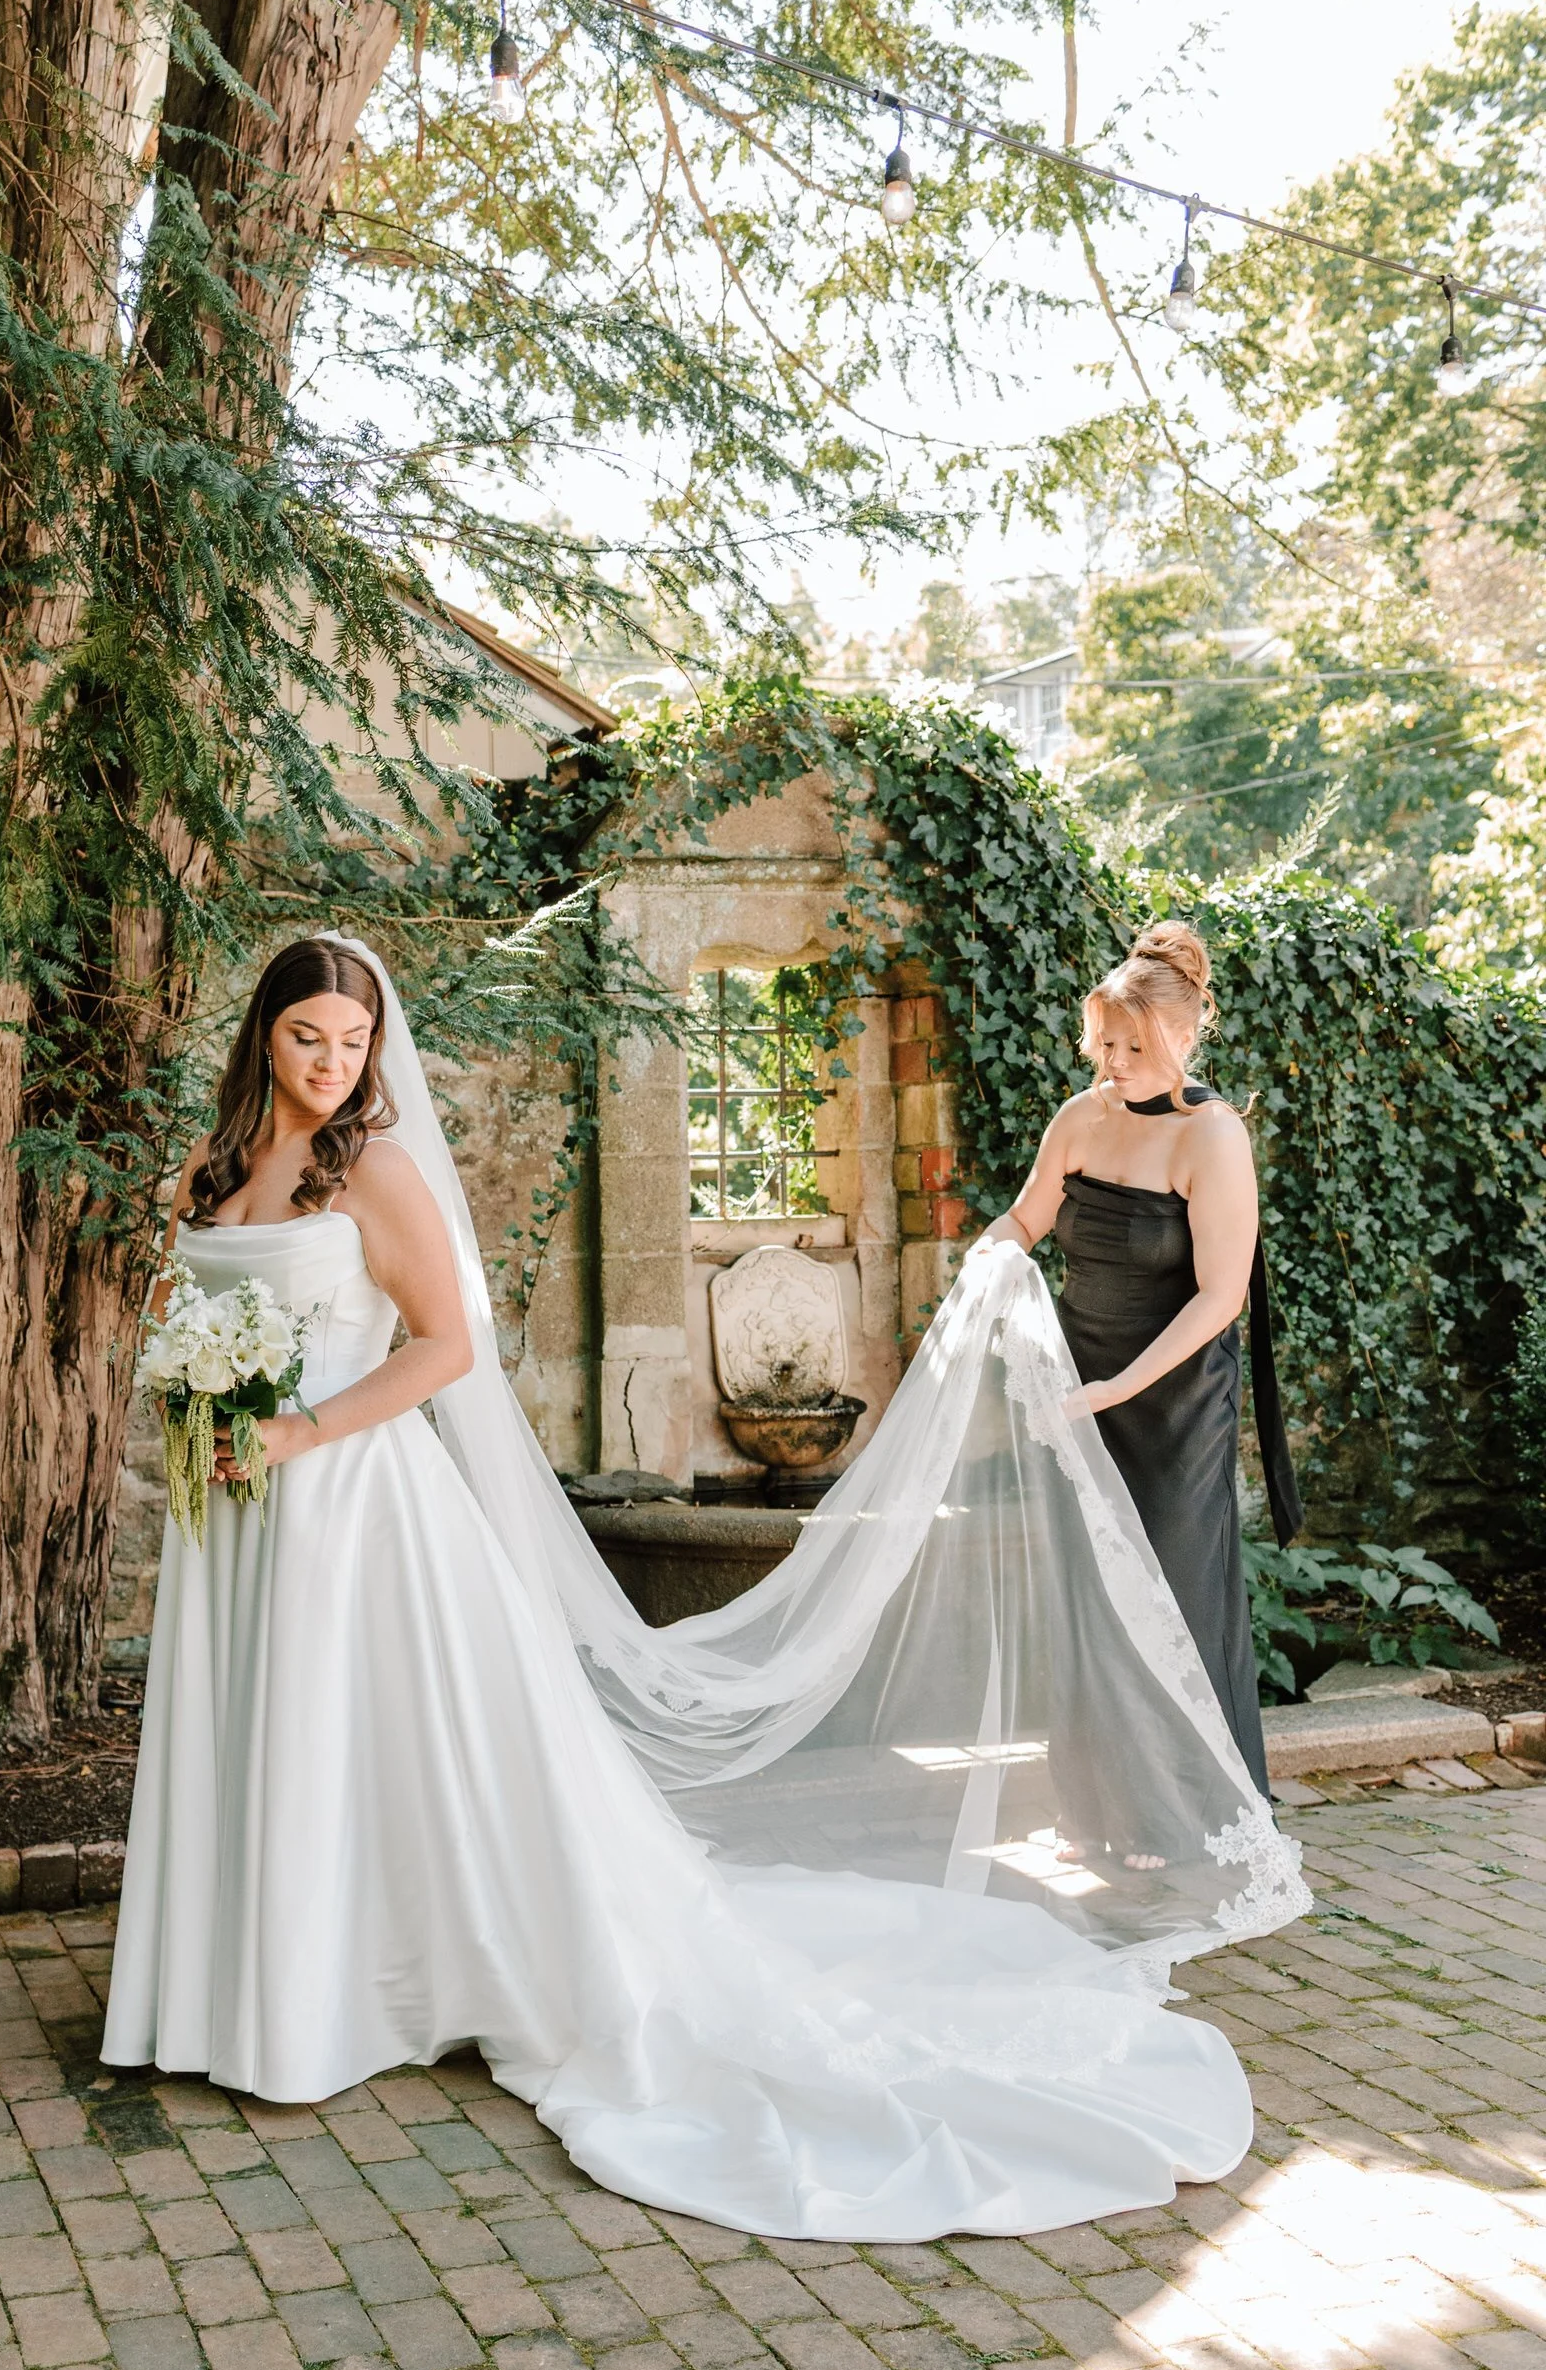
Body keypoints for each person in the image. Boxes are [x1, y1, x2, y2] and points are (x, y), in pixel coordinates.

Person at [102, 931, 1309, 2241]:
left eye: (351, 1044)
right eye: (305, 1042)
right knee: (261, 1733)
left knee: (341, 1738)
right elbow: (188, 1324)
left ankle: (330, 2001)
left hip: (343, 1502)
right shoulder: (215, 1171)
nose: (333, 1067)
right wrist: (203, 1412)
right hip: (234, 1510)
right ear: (261, 1040)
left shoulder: (375, 1171)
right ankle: (228, 1989)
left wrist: (293, 1433)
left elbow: (447, 1347)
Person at [981, 922, 1301, 1797]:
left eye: (1130, 1044)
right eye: (1104, 1041)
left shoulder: (1213, 1137)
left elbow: (1220, 1296)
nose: (1111, 1060)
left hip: (1175, 1396)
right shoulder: (1081, 1118)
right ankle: (1104, 1807)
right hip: (1075, 1378)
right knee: (1091, 1597)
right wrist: (990, 1259)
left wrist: (1119, 1386)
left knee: (1169, 1591)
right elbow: (1025, 1218)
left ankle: (1186, 1808)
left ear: (1182, 1035)